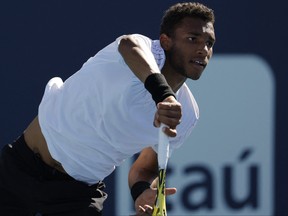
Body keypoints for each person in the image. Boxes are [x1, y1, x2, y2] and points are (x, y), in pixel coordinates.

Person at [0, 2, 215, 216]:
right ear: (165, 41)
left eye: (209, 43)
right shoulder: (138, 48)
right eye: (192, 38)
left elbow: (144, 169)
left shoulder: (187, 114)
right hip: (20, 167)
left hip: (77, 196)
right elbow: (129, 47)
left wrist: (141, 191)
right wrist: (164, 95)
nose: (203, 49)